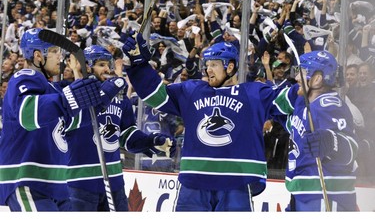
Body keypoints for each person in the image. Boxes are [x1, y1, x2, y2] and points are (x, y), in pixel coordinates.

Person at [122, 33, 296, 211]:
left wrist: (309, 84)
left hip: (236, 182)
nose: (208, 70)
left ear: (230, 67)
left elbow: (286, 99)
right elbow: (156, 95)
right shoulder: (192, 90)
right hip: (194, 182)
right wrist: (138, 65)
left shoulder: (253, 93)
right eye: (207, 65)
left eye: (214, 64)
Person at [0, 28, 124, 211]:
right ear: (38, 56)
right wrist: (72, 96)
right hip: (28, 180)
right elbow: (28, 114)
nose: (60, 57)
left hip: (56, 185)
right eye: (54, 52)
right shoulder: (24, 77)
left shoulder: (52, 88)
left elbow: (75, 120)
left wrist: (101, 98)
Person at [64, 44, 176, 211]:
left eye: (108, 65)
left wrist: (152, 141)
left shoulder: (119, 99)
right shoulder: (72, 97)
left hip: (114, 182)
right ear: (87, 66)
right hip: (80, 183)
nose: (107, 69)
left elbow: (127, 136)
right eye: (101, 65)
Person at [273, 50, 359, 211]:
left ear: (317, 79)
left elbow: (352, 149)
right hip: (302, 194)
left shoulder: (330, 105)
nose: (297, 78)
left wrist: (332, 141)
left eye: (302, 73)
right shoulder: (303, 102)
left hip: (326, 194)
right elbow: (296, 127)